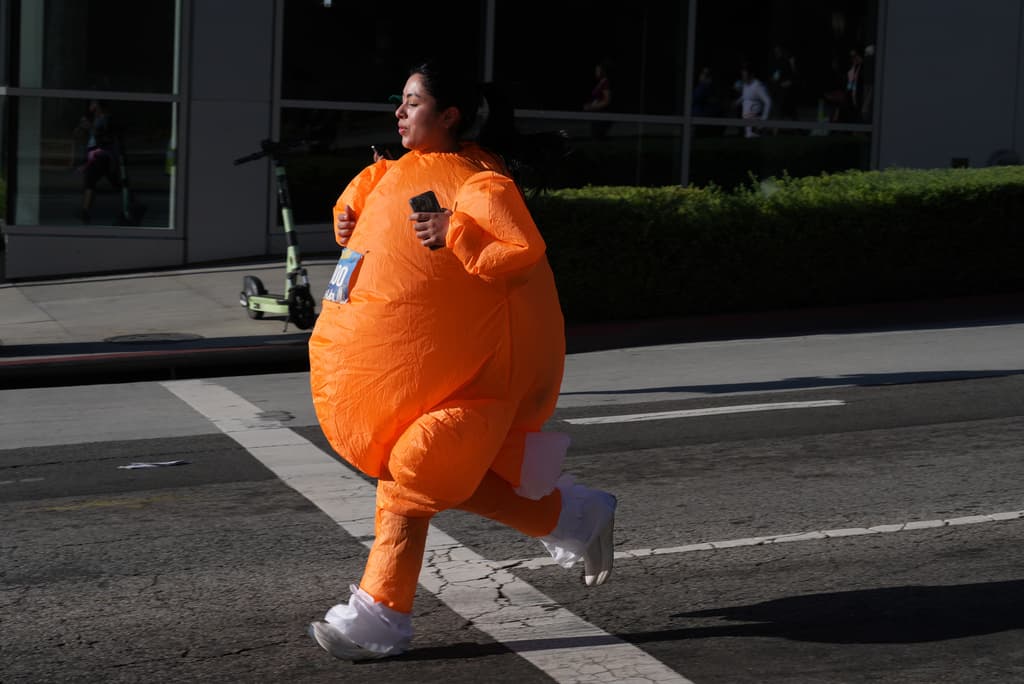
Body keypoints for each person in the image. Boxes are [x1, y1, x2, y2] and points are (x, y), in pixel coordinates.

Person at [305, 59, 617, 661]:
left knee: (413, 475)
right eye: (399, 100)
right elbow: (355, 212)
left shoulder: (480, 184)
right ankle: (570, 516)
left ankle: (379, 615)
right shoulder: (388, 174)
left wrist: (456, 231)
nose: (398, 111)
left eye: (412, 102)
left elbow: (521, 251)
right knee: (419, 477)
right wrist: (344, 217)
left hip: (473, 383)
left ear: (448, 115)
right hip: (416, 379)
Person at [75, 100, 121, 224]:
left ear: (98, 105)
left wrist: (90, 127)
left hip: (102, 155)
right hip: (94, 154)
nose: (90, 106)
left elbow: (105, 137)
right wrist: (82, 127)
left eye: (93, 103)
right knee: (114, 182)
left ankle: (85, 212)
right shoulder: (92, 119)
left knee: (91, 181)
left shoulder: (106, 119)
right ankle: (130, 203)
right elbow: (78, 135)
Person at [734, 65, 772, 138]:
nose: (743, 77)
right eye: (742, 75)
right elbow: (746, 96)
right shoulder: (745, 85)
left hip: (755, 120)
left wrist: (764, 119)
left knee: (753, 138)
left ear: (751, 75)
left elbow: (768, 102)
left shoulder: (758, 86)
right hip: (746, 120)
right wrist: (737, 102)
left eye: (745, 75)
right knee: (747, 137)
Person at [583, 60, 612, 139]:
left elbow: (606, 100)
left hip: (601, 116)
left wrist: (591, 107)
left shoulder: (606, 82)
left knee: (597, 138)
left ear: (603, 71)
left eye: (597, 70)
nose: (596, 72)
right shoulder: (601, 83)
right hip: (596, 115)